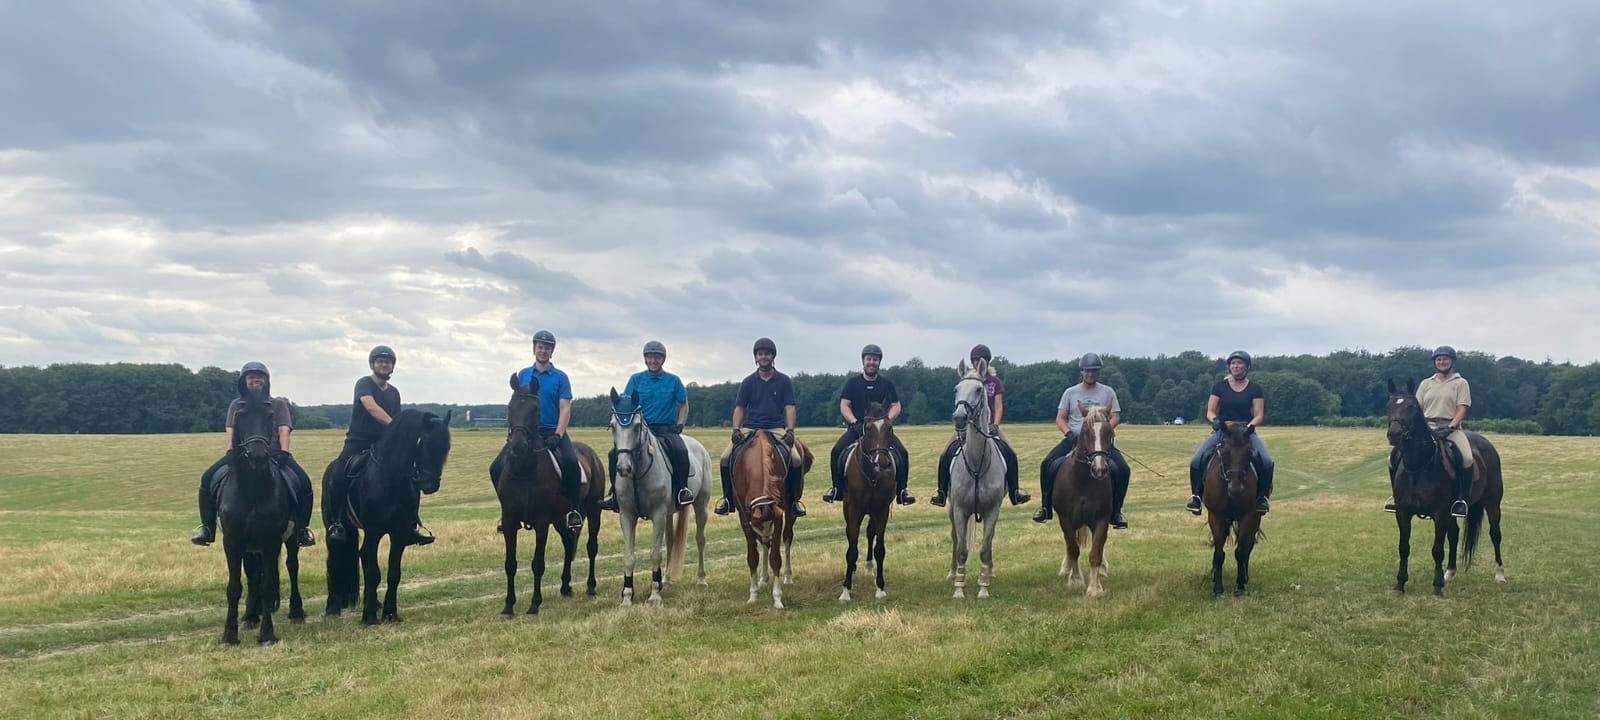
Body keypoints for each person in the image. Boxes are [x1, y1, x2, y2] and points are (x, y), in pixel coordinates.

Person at [190, 362, 315, 547]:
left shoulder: (277, 404)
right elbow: (230, 430)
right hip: (241, 455)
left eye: (259, 376)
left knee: (304, 482)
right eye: (251, 377)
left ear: (266, 381)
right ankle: (207, 527)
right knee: (207, 478)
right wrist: (231, 451)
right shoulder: (236, 405)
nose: (255, 380)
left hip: (273, 453)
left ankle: (302, 530)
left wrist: (284, 452)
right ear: (244, 381)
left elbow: (283, 430)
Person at [325, 346, 433, 546]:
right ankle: (337, 521)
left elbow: (397, 415)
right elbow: (372, 407)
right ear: (372, 364)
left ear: (393, 366)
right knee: (338, 474)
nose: (385, 364)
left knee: (409, 477)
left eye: (388, 361)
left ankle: (412, 523)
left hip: (384, 445)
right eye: (380, 361)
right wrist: (396, 427)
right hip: (358, 442)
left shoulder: (394, 392)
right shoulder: (364, 384)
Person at [489, 330, 585, 531]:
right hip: (526, 434)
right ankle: (507, 513)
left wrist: (558, 435)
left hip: (552, 432)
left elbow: (565, 408)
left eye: (547, 348)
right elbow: (518, 405)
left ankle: (573, 512)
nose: (543, 351)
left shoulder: (560, 377)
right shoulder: (524, 374)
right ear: (534, 349)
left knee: (570, 463)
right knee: (496, 467)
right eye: (540, 347)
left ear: (552, 352)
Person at [1032, 352, 1132, 527]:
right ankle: (1045, 507)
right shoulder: (1070, 393)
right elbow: (1060, 418)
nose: (1090, 374)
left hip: (1100, 442)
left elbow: (1115, 416)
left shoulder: (1108, 392)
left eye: (1093, 371)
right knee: (1047, 464)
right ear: (1082, 371)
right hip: (1075, 439)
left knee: (1122, 469)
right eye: (1087, 371)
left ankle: (1116, 512)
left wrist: (1105, 430)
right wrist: (1069, 433)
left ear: (1098, 372)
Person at [715, 338, 806, 517]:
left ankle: (793, 501)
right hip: (751, 428)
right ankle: (728, 499)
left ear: (773, 357)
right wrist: (735, 429)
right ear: (755, 358)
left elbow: (790, 408)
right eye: (760, 354)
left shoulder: (784, 381)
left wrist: (790, 430)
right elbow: (740, 408)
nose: (764, 357)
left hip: (776, 428)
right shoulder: (748, 382)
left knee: (796, 459)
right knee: (725, 458)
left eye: (767, 354)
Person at [600, 340, 693, 511]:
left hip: (666, 429)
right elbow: (626, 403)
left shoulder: (673, 381)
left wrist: (679, 425)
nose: (653, 361)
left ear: (663, 360)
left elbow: (683, 404)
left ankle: (682, 489)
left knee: (681, 450)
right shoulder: (635, 380)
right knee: (614, 454)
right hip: (640, 430)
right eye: (650, 358)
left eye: (657, 358)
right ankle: (615, 495)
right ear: (645, 359)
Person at [930, 344, 1027, 508]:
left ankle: (1014, 492)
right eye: (974, 360)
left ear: (987, 362)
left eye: (980, 360)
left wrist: (995, 425)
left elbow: (998, 406)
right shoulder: (967, 380)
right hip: (966, 426)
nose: (976, 363)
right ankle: (942, 493)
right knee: (944, 453)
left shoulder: (994, 382)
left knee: (1011, 454)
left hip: (989, 426)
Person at [1387, 345, 1474, 517]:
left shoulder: (1460, 383)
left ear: (1452, 362)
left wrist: (1450, 427)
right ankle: (1397, 497)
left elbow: (1462, 408)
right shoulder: (1426, 383)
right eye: (1439, 359)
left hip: (1450, 427)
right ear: (1435, 362)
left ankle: (1461, 500)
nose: (1442, 362)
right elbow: (1415, 408)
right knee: (1392, 458)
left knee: (1467, 458)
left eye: (1445, 359)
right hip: (1427, 428)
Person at [823, 344, 914, 506]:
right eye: (869, 359)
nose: (872, 362)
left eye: (875, 359)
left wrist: (885, 422)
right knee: (836, 451)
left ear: (879, 362)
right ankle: (837, 489)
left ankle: (902, 490)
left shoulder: (886, 384)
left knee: (903, 453)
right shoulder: (852, 383)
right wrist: (854, 422)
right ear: (863, 361)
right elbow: (844, 405)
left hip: (881, 431)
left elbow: (896, 405)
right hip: (857, 428)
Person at [1186, 350, 1274, 515]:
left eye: (1240, 363)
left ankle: (1262, 498)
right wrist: (1216, 421)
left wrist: (1250, 427)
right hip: (1224, 430)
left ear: (1247, 367)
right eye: (1233, 363)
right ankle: (1196, 497)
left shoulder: (1255, 388)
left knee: (1267, 461)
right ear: (1229, 367)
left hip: (1245, 431)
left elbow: (1259, 415)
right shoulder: (1219, 386)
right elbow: (1210, 411)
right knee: (1197, 459)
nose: (1236, 366)